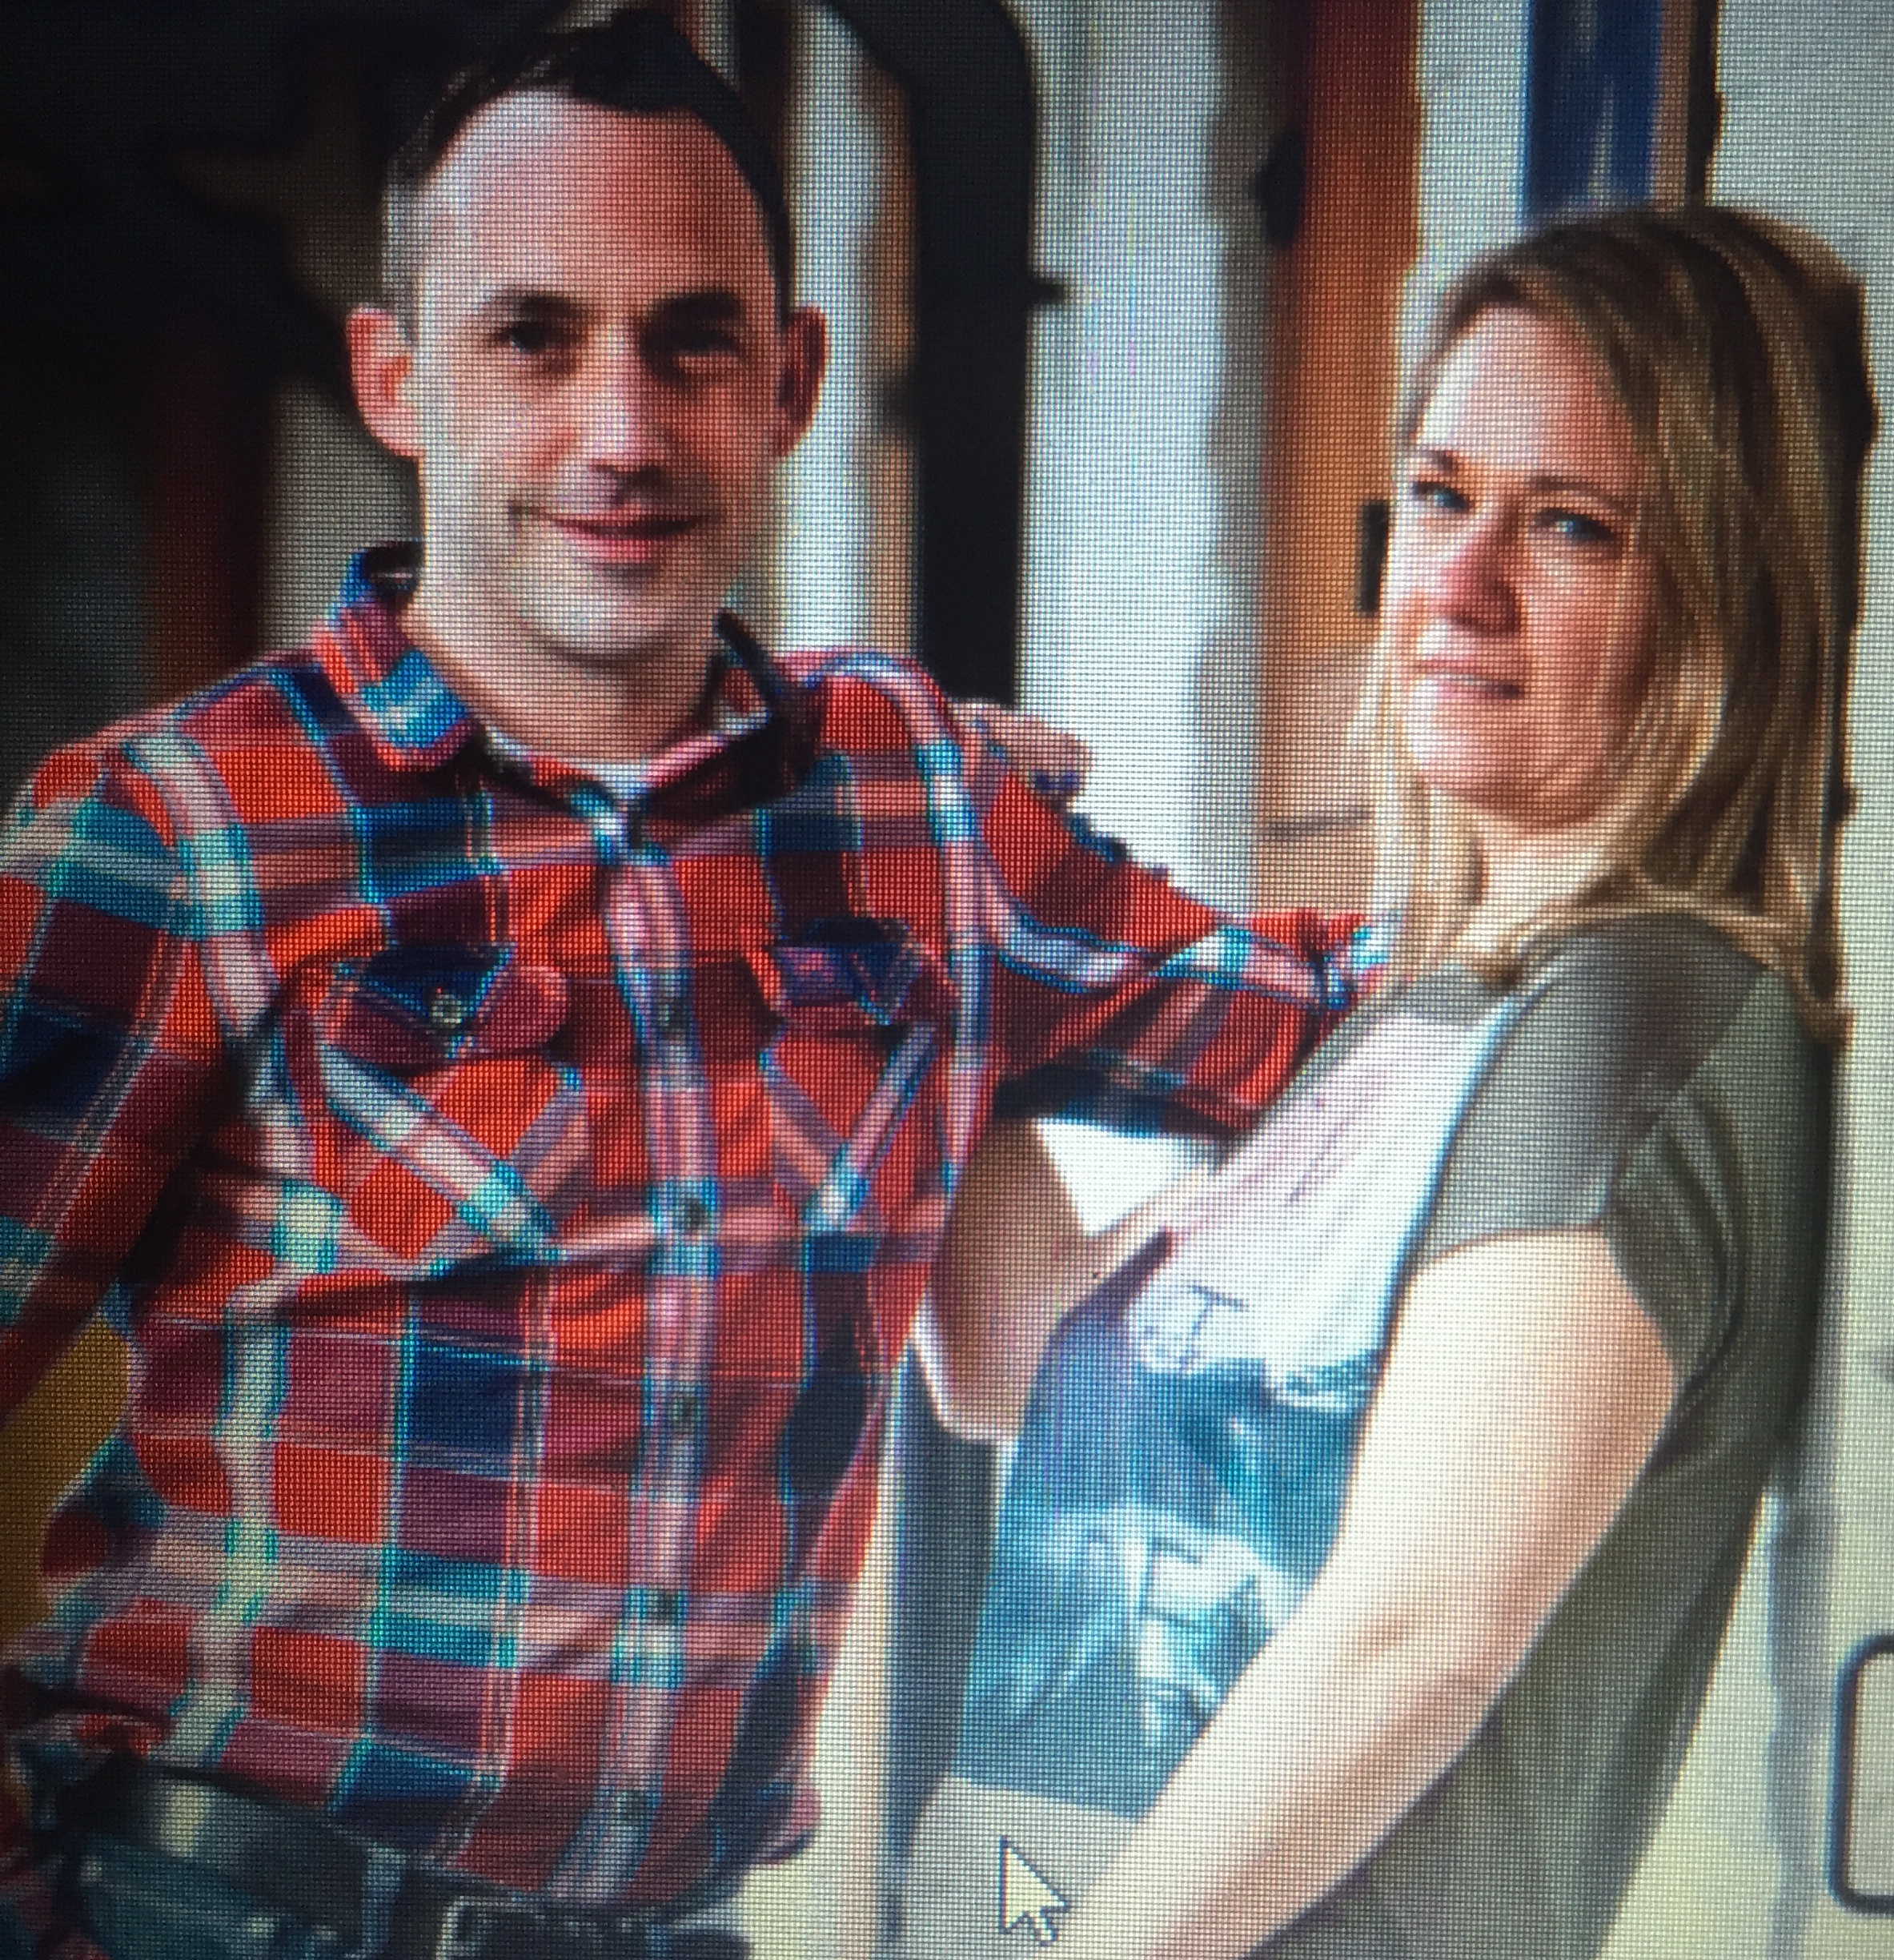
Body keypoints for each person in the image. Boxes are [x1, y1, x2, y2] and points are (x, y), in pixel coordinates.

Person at [0, 14, 1354, 1960]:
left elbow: (1317, 1016)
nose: (622, 432)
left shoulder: (914, 810)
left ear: (789, 379)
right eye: (533, 339)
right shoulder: (179, 830)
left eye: (692, 340)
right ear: (396, 375)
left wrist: (1662, 876)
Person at [899, 205, 1873, 1960]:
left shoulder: (1630, 1021)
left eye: (1570, 526)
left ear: (1726, 590)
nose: (1458, 586)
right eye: (1440, 496)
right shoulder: (1414, 1007)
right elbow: (1030, 1377)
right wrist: (952, 919)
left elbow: (1406, 1645)